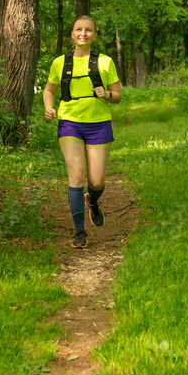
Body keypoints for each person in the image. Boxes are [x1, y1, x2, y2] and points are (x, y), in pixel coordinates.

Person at [43, 15, 122, 248]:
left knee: (96, 181)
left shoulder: (105, 62)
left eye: (88, 30)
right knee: (76, 175)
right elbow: (49, 90)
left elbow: (117, 95)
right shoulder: (60, 63)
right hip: (70, 123)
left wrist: (106, 94)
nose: (83, 33)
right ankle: (79, 232)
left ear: (94, 35)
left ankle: (93, 200)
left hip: (99, 123)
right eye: (79, 29)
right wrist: (49, 107)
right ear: (72, 34)